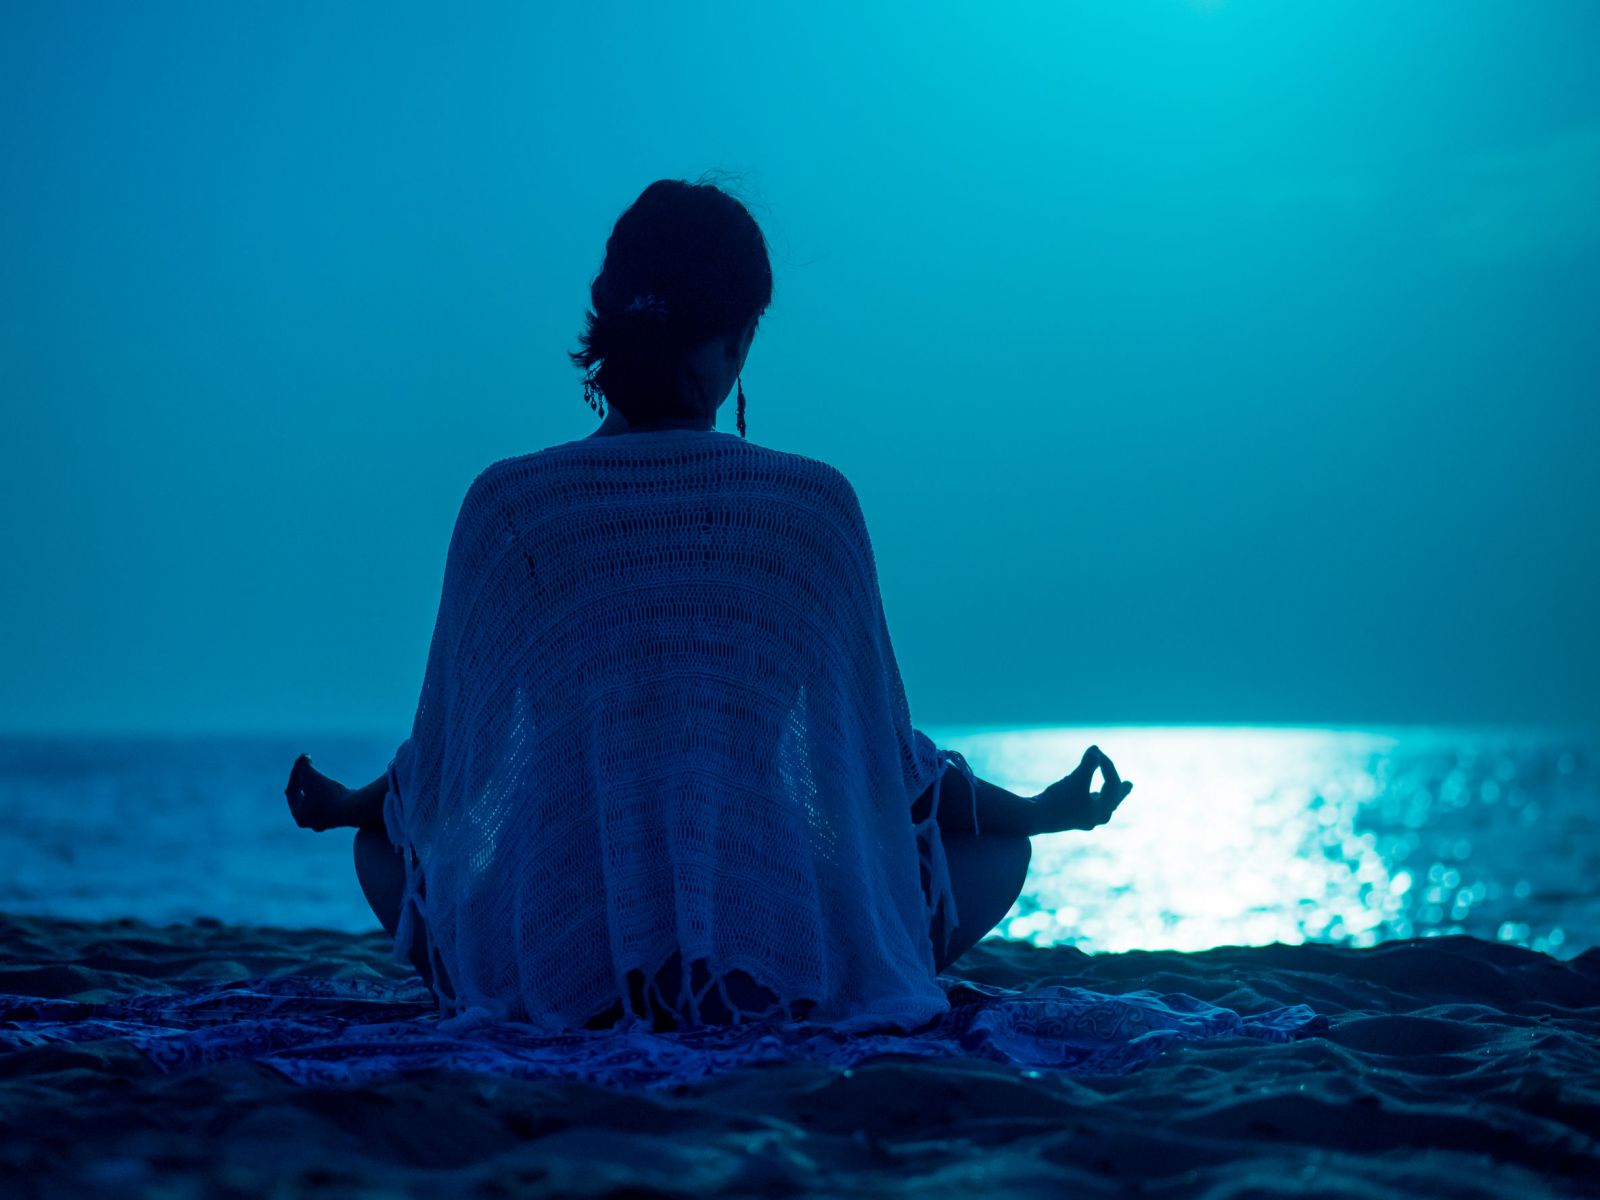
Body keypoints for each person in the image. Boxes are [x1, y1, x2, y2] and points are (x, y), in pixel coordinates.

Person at [284, 177, 1134, 1032]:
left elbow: (443, 778)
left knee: (378, 850)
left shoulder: (511, 506)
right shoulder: (811, 507)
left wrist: (346, 807)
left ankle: (570, 988)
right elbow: (884, 771)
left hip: (565, 928)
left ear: (608, 318)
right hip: (761, 929)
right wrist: (1039, 813)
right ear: (737, 340)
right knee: (999, 853)